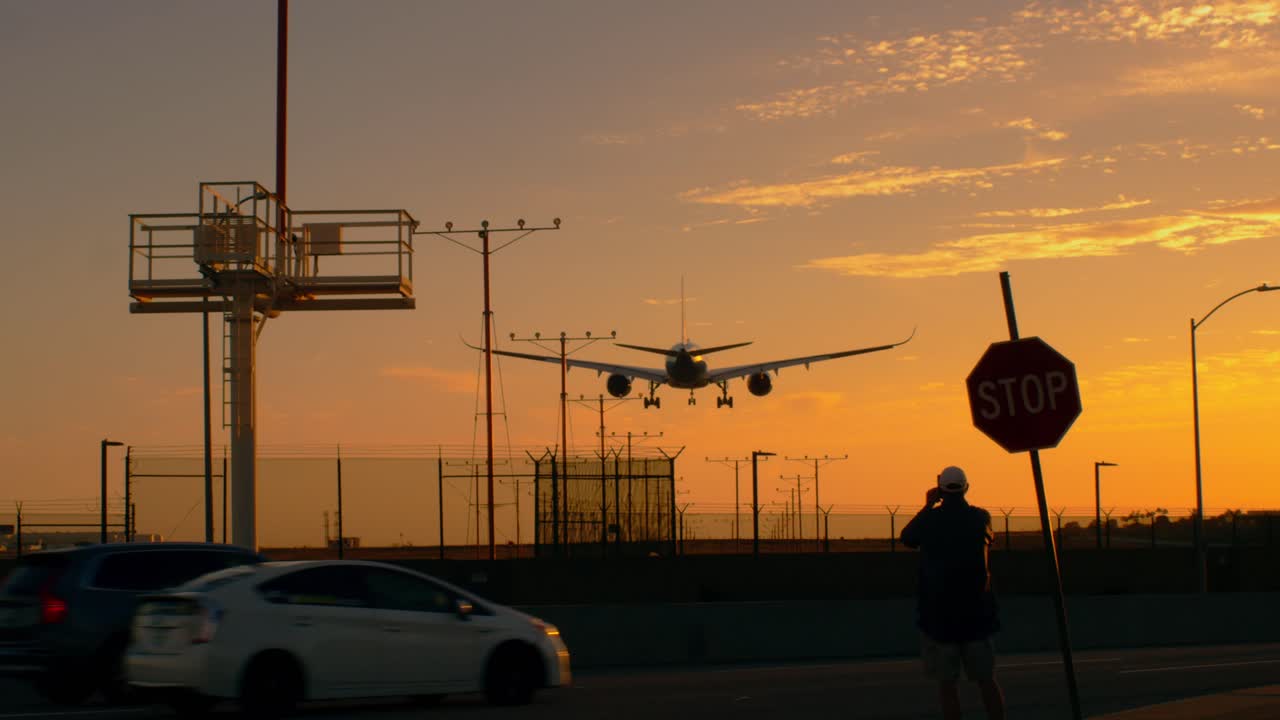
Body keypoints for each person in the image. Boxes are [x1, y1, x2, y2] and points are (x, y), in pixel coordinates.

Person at [900, 466, 1005, 720]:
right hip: (976, 616)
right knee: (986, 680)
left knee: (947, 686)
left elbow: (907, 537)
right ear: (966, 488)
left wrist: (927, 506)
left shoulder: (930, 520)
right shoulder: (981, 518)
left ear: (940, 489)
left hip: (940, 618)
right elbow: (990, 537)